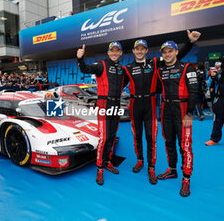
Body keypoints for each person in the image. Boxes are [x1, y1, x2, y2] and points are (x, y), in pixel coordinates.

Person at [123, 30, 201, 185]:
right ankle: (168, 168)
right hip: (156, 107)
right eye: (164, 52)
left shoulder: (156, 63)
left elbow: (193, 88)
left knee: (182, 144)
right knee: (165, 140)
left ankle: (183, 177)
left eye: (142, 48)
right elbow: (116, 83)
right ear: (133, 51)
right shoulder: (131, 68)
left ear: (146, 50)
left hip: (175, 108)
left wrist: (190, 42)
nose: (167, 54)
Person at [77, 42, 126, 185]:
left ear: (121, 53)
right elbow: (85, 69)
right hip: (104, 105)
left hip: (116, 104)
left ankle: (108, 161)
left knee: (112, 135)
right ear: (108, 52)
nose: (115, 53)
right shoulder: (101, 65)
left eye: (117, 51)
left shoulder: (121, 69)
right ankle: (99, 168)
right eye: (112, 51)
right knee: (103, 138)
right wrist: (80, 59)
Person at [157, 40, 199, 197]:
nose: (167, 54)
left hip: (183, 110)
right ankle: (172, 170)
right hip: (166, 108)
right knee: (168, 141)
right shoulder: (160, 69)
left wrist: (189, 112)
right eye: (164, 52)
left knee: (185, 145)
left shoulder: (187, 67)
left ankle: (186, 178)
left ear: (176, 52)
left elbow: (194, 91)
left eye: (170, 51)